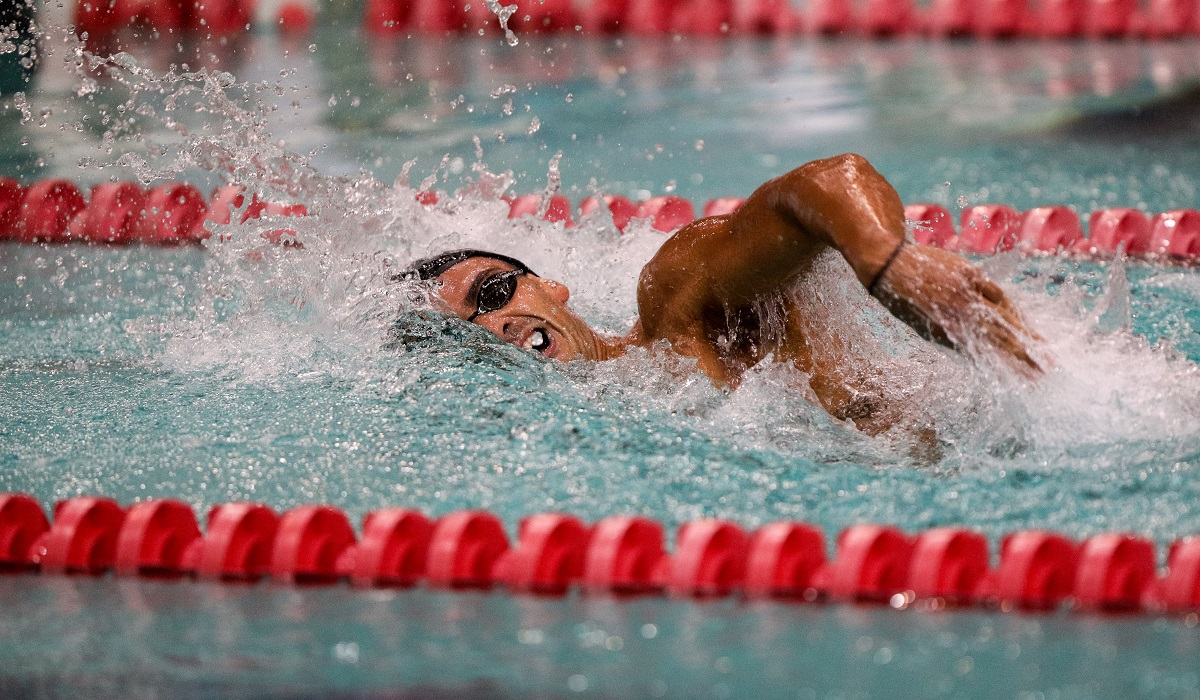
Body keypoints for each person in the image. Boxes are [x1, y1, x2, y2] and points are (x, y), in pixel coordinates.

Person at [402, 154, 1044, 436]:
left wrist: (886, 266)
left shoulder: (675, 312)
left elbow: (824, 181)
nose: (492, 326)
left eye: (491, 291)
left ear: (547, 287)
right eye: (464, 329)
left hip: (1009, 406)